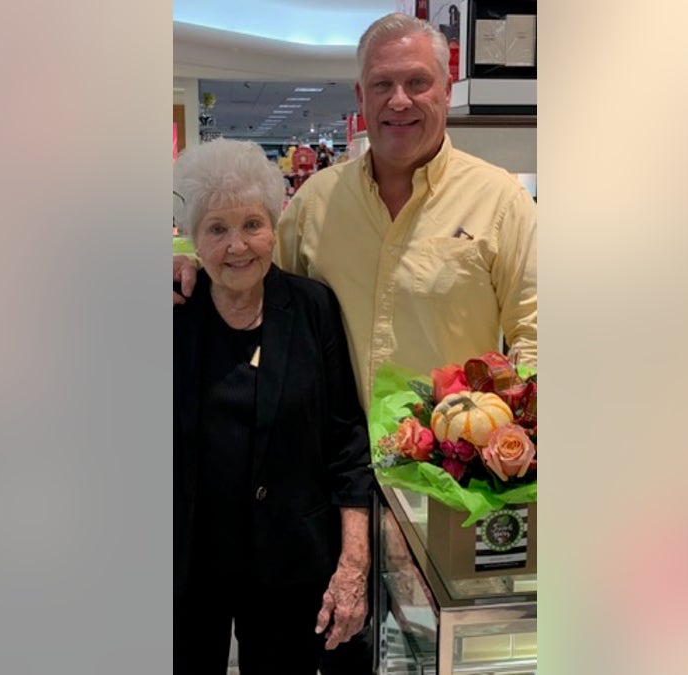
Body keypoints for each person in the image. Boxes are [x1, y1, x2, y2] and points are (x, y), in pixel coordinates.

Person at [174, 12, 538, 671]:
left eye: (417, 82)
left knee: (430, 655)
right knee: (338, 655)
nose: (400, 100)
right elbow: (252, 281)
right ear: (360, 97)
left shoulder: (500, 202)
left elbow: (540, 335)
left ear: (447, 84)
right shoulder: (316, 201)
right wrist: (187, 266)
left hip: (443, 496)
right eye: (382, 84)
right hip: (322, 499)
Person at [172, 138, 373, 675]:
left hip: (291, 562)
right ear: (193, 239)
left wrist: (354, 557)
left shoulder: (311, 308)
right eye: (217, 229)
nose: (238, 246)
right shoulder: (175, 314)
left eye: (252, 224)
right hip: (187, 567)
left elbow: (346, 438)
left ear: (275, 225)